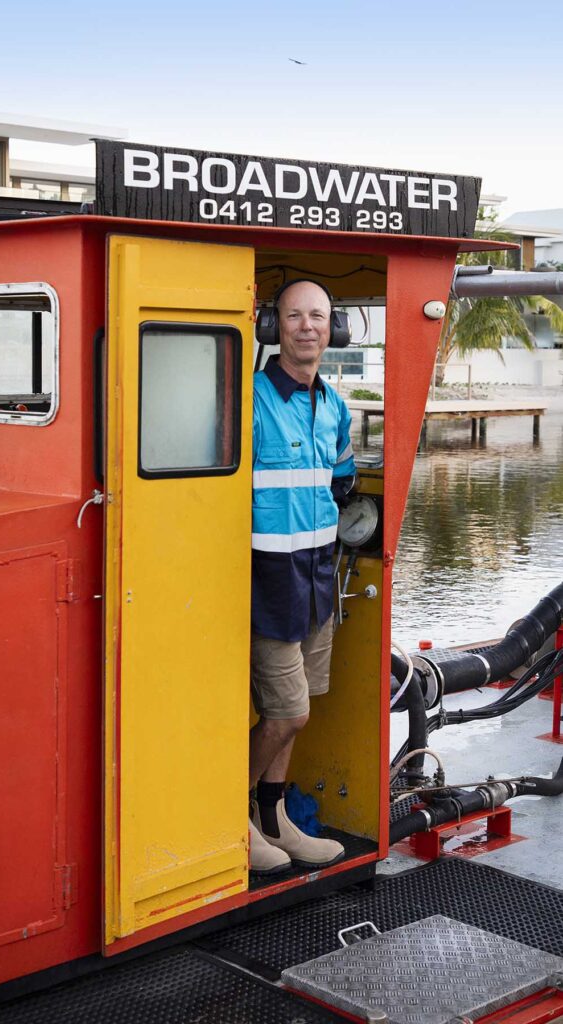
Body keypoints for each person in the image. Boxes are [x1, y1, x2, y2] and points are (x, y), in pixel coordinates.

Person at [249, 279, 356, 874]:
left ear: (333, 328)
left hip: (316, 577)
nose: (307, 326)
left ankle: (274, 819)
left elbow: (342, 480)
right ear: (274, 326)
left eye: (318, 316)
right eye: (294, 316)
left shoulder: (335, 405)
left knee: (298, 709)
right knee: (288, 712)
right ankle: (224, 814)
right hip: (267, 581)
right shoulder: (249, 399)